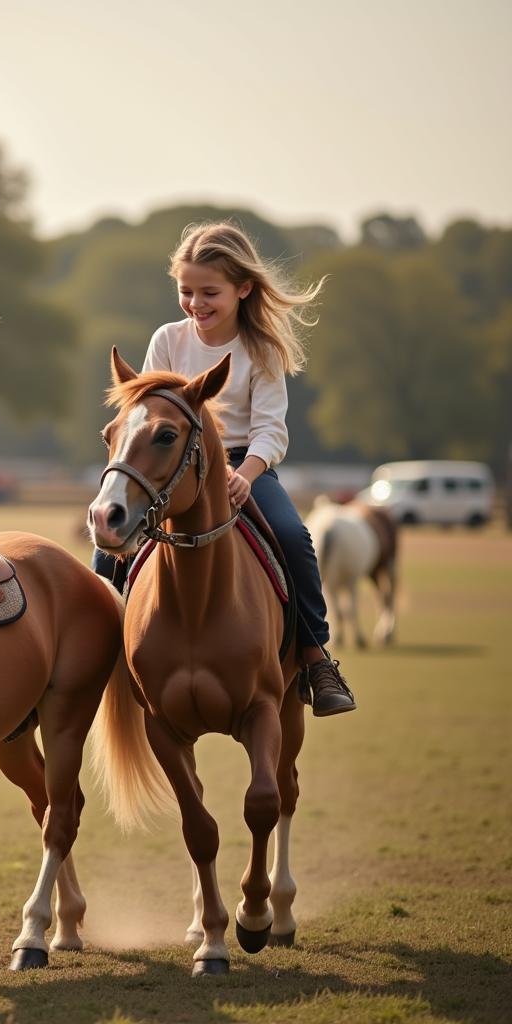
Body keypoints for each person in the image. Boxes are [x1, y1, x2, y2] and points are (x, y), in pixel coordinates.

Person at [94, 222, 356, 716]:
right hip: (171, 463)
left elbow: (270, 430)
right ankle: (99, 646)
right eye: (186, 291)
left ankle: (317, 657)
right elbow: (148, 415)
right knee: (108, 541)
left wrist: (246, 475)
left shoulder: (262, 350)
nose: (196, 303)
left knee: (292, 535)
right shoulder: (167, 339)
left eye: (209, 292)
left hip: (241, 464)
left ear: (243, 288)